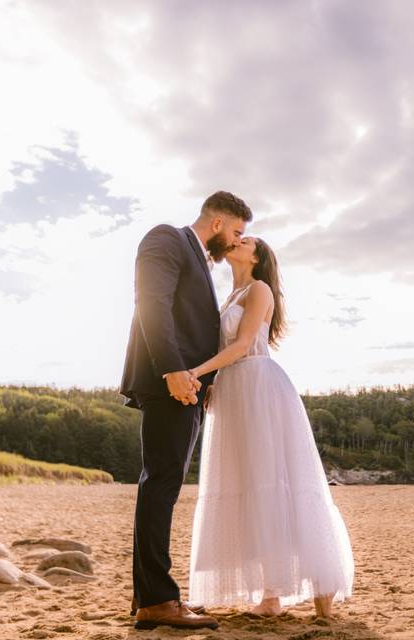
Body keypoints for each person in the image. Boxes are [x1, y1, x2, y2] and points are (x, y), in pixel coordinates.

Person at [186, 236, 355, 618]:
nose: (235, 241)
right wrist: (213, 384)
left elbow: (245, 344)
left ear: (258, 256)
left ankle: (322, 589)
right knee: (248, 484)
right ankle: (271, 596)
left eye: (245, 240)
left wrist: (196, 373)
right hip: (234, 391)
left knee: (278, 481)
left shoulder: (260, 289)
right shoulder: (229, 296)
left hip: (259, 387)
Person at [119, 191, 252, 631]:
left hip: (188, 387)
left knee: (162, 483)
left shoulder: (196, 259)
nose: (235, 240)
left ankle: (150, 597)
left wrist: (201, 381)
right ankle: (157, 600)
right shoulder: (167, 239)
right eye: (236, 231)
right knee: (160, 484)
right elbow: (151, 304)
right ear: (217, 223)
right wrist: (173, 370)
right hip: (170, 383)